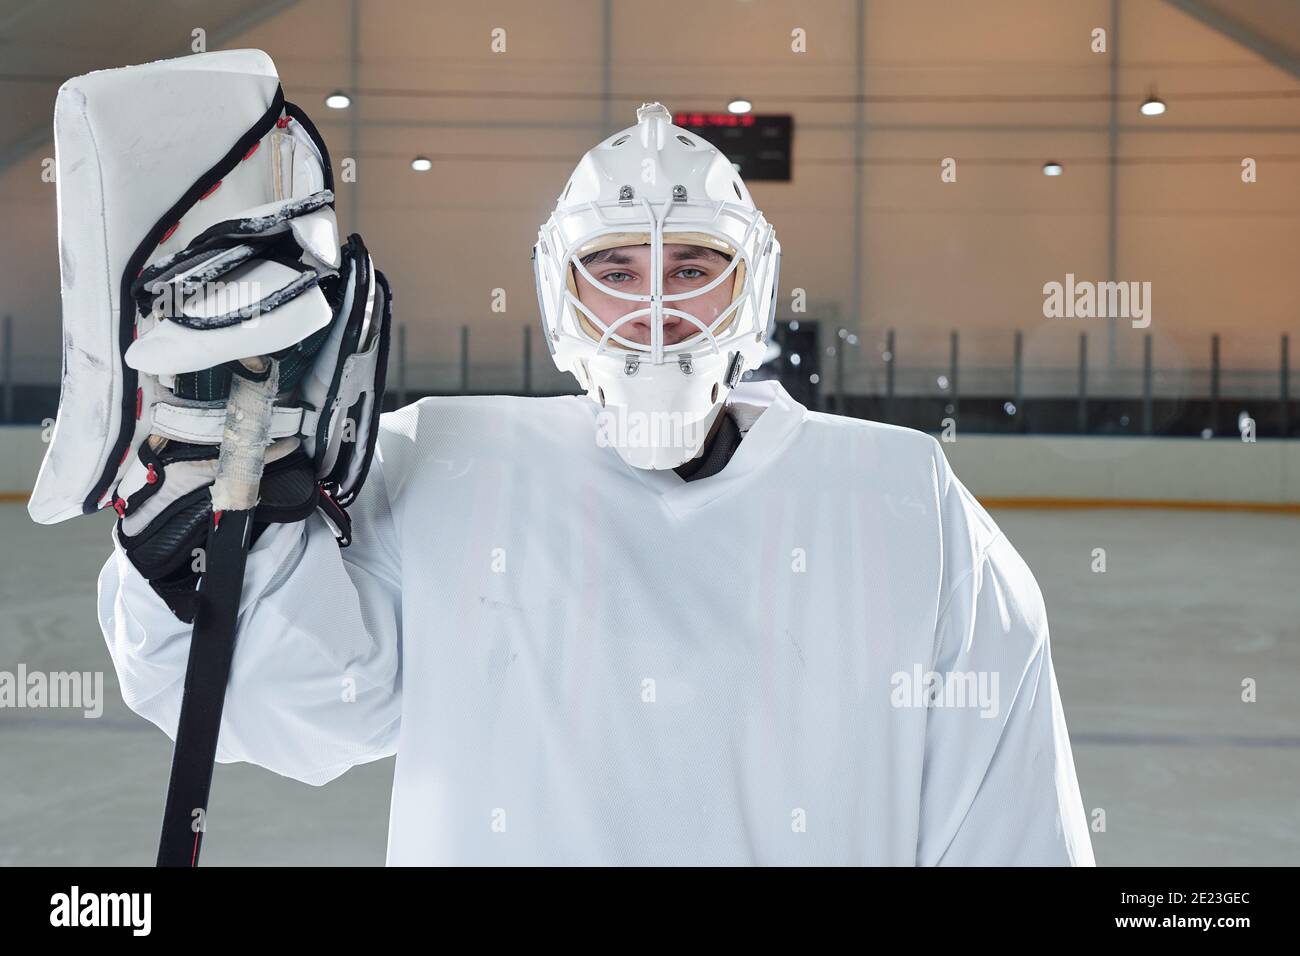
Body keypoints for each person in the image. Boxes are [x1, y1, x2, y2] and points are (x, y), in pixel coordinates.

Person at [99, 102, 1095, 865]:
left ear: (751, 286)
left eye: (693, 265)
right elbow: (294, 706)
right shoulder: (446, 462)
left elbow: (1007, 832)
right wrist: (208, 550)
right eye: (614, 269)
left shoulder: (907, 502)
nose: (655, 309)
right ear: (557, 289)